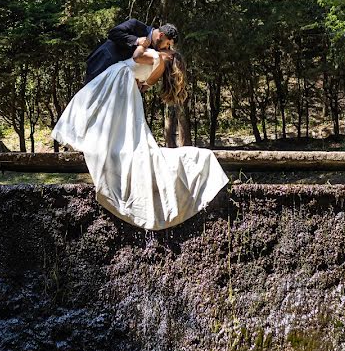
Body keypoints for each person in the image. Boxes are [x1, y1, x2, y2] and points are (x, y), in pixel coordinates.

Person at [53, 43, 229, 230]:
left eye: (169, 49)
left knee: (109, 120)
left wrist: (141, 44)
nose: (166, 48)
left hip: (121, 80)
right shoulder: (158, 63)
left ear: (170, 56)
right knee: (117, 124)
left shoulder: (156, 56)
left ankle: (94, 140)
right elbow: (145, 79)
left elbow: (138, 59)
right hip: (122, 81)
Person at [84, 19, 178, 85]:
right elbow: (113, 33)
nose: (166, 47)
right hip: (103, 62)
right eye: (167, 43)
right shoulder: (136, 25)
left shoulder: (154, 50)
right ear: (161, 35)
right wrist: (136, 40)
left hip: (116, 77)